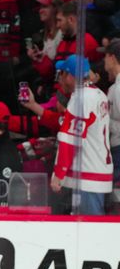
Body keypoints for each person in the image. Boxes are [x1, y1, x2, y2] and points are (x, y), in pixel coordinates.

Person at [51, 54, 113, 215]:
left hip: (88, 179)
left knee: (91, 233)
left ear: (71, 76)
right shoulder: (98, 94)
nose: (60, 80)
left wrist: (59, 174)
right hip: (97, 173)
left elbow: (70, 140)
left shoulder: (82, 98)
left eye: (62, 74)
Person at [104, 40, 120, 187]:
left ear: (113, 58)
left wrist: (105, 122)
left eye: (106, 56)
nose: (104, 60)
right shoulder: (115, 86)